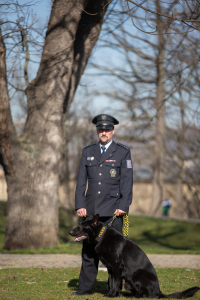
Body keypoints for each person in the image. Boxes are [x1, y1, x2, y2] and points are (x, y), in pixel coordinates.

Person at [73, 113, 133, 296]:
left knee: (115, 253)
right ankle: (85, 287)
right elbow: (81, 181)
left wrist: (124, 204)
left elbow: (127, 181)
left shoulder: (123, 151)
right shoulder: (88, 151)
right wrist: (79, 204)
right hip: (91, 210)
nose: (104, 132)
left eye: (107, 129)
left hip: (114, 210)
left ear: (113, 131)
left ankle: (113, 289)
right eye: (101, 129)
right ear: (97, 131)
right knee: (89, 251)